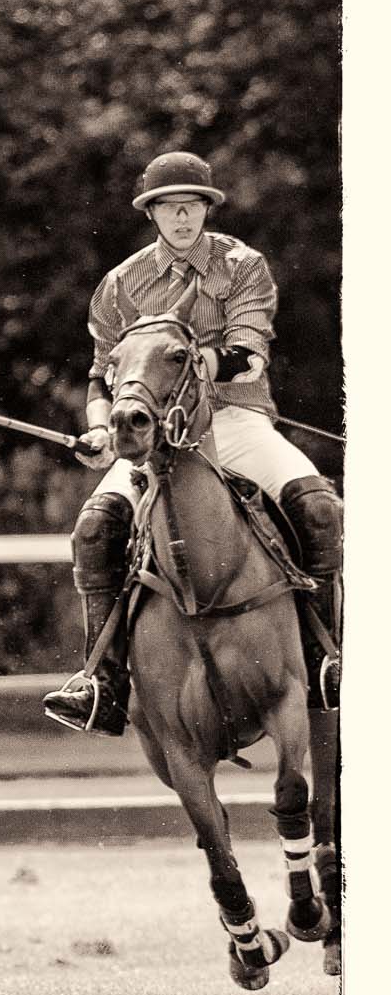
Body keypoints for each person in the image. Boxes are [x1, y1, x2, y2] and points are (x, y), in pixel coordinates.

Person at [43, 151, 342, 735]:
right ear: (151, 213)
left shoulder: (241, 265)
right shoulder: (121, 285)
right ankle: (101, 682)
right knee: (94, 528)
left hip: (234, 420)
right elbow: (101, 373)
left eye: (192, 206)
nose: (182, 218)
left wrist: (192, 361)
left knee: (318, 506)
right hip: (152, 436)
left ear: (207, 208)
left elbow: (248, 352)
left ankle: (327, 660)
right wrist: (104, 425)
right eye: (170, 207)